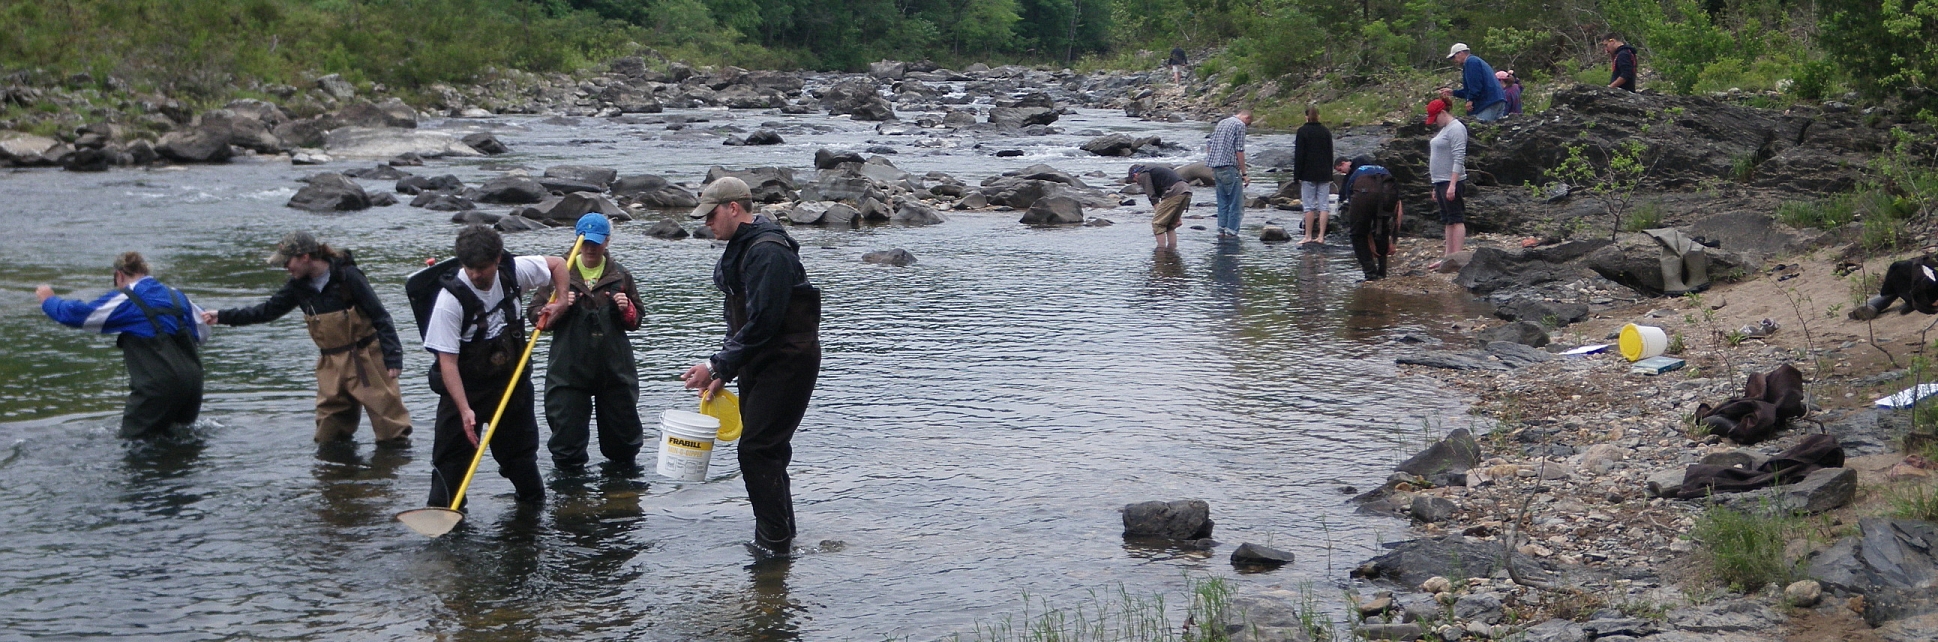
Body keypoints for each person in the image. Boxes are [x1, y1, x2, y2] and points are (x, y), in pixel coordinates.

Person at [681, 177, 823, 559]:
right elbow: (743, 325)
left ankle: (774, 547)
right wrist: (724, 371)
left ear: (732, 208)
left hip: (788, 361)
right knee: (768, 450)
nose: (707, 223)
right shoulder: (745, 249)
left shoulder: (768, 253)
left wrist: (715, 364)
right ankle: (781, 540)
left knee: (758, 449)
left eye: (711, 215)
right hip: (764, 360)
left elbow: (764, 323)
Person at [202, 232, 413, 446]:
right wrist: (222, 316)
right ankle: (340, 477)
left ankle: (392, 474)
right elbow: (266, 311)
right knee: (328, 436)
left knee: (391, 430)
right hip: (330, 364)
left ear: (305, 257)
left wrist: (393, 358)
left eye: (287, 262)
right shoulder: (297, 287)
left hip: (366, 359)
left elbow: (381, 316)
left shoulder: (348, 276)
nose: (286, 267)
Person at [421, 225, 572, 510]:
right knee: (449, 472)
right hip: (464, 392)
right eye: (470, 268)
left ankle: (528, 524)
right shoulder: (449, 303)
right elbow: (448, 363)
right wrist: (465, 410)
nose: (476, 274)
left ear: (498, 258)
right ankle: (446, 521)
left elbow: (558, 264)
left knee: (522, 464)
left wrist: (561, 300)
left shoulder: (512, 271)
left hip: (511, 385)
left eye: (482, 267)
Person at [37, 252, 208, 439]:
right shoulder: (178, 296)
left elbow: (78, 315)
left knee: (135, 446)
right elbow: (202, 332)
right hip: (193, 384)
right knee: (183, 443)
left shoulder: (127, 298)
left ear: (119, 275)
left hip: (158, 388)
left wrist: (49, 300)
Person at [526, 214, 645, 477]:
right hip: (568, 373)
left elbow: (637, 320)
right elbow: (536, 318)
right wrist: (556, 306)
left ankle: (622, 498)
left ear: (607, 242)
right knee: (567, 448)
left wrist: (626, 311)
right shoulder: (558, 274)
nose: (590, 248)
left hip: (615, 372)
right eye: (585, 243)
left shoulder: (621, 275)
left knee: (623, 447)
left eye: (596, 243)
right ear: (577, 240)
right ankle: (570, 504)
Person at [1340, 156, 1404, 281]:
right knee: (1382, 227)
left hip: (1364, 192)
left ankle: (1370, 274)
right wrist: (1393, 240)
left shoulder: (1353, 177)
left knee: (1357, 234)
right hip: (1389, 192)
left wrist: (1369, 242)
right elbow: (1398, 210)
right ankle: (1382, 272)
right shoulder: (1383, 170)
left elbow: (1362, 219)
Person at [1426, 99, 1470, 270]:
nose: (1434, 122)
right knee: (1448, 220)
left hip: (1451, 181)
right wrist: (1435, 186)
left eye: (1435, 118)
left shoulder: (1457, 128)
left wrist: (1452, 184)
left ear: (1442, 113)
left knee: (1456, 219)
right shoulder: (1445, 129)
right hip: (1440, 181)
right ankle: (1447, 257)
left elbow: (1459, 157)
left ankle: (1457, 258)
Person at [1291, 105, 1335, 244]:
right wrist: (1330, 173)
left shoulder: (1302, 131)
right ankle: (1321, 236)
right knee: (1324, 206)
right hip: (1324, 173)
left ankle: (1308, 235)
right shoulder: (1326, 131)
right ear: (1319, 116)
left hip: (1308, 173)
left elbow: (1299, 155)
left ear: (1306, 117)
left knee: (1309, 205)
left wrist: (1296, 175)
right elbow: (1330, 153)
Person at [1206, 109, 1251, 237]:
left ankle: (1221, 231)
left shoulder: (1222, 122)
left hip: (1216, 168)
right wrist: (1244, 173)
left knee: (1222, 202)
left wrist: (1213, 162)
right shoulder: (1240, 125)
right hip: (1230, 168)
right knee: (1236, 204)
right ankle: (1232, 233)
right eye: (1249, 124)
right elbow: (1239, 150)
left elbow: (1209, 143)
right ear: (1246, 118)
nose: (1247, 126)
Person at [1440, 43, 1508, 123]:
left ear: (1460, 53)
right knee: (1495, 131)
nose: (1454, 60)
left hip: (1487, 103)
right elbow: (1471, 89)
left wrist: (1470, 100)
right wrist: (1453, 92)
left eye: (1454, 57)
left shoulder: (1471, 62)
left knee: (1481, 129)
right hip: (1498, 99)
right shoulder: (1476, 61)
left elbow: (1476, 85)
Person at [1130, 164, 1191, 249]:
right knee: (1170, 224)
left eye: (1135, 180)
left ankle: (1160, 252)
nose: (1138, 183)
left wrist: (1159, 214)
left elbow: (1152, 196)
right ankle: (1172, 252)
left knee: (1158, 224)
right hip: (1186, 190)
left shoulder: (1143, 174)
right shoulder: (1152, 169)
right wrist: (1175, 216)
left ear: (1135, 174)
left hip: (1174, 191)